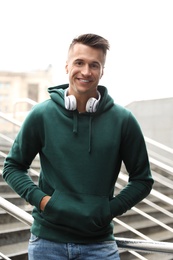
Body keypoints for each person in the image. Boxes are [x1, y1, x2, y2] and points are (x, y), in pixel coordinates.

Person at [2, 33, 154, 260]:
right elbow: (13, 166)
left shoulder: (123, 121)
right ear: (67, 66)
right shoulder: (41, 115)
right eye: (79, 63)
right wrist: (43, 202)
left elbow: (142, 179)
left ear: (103, 71)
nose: (86, 71)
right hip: (47, 243)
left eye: (94, 65)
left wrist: (107, 211)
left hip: (99, 245)